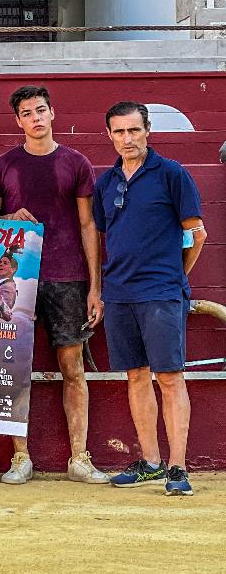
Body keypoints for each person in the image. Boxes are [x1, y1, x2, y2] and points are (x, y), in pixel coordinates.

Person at [0, 85, 109, 485]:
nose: (35, 118)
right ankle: (20, 456)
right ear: (17, 120)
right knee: (13, 367)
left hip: (67, 275)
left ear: (52, 113)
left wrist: (95, 287)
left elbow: (88, 225)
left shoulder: (76, 162)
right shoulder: (3, 166)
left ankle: (79, 458)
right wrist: (7, 220)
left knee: (72, 367)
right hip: (17, 278)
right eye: (27, 113)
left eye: (40, 110)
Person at [93, 102, 206, 497]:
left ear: (148, 130)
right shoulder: (106, 183)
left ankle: (178, 468)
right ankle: (152, 462)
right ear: (109, 135)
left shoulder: (172, 173)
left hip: (160, 292)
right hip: (120, 293)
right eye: (120, 132)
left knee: (170, 378)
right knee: (136, 376)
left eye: (134, 130)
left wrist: (175, 277)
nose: (127, 138)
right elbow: (107, 235)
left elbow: (197, 234)